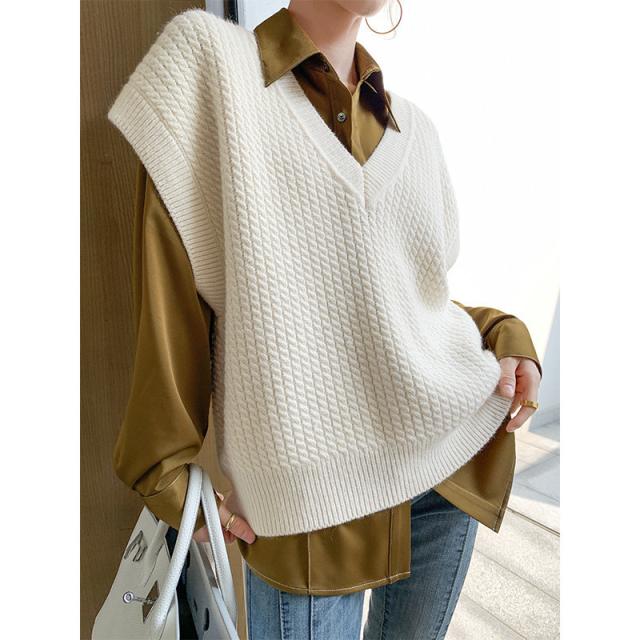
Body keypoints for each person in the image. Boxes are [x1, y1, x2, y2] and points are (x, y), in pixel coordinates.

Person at [108, 1, 542, 638]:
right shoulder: (212, 68)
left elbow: (403, 310)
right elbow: (170, 301)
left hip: (444, 474)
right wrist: (173, 485)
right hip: (308, 513)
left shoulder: (416, 135)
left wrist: (505, 335)